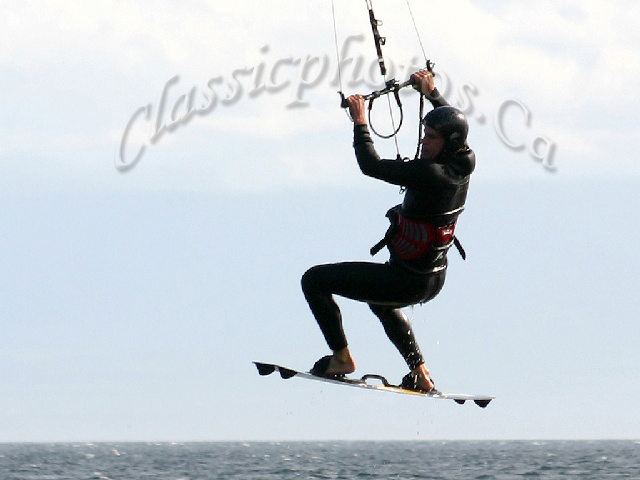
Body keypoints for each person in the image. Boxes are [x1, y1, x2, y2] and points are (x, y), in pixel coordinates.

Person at [300, 70, 475, 393]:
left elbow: (371, 166)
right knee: (381, 302)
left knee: (314, 280)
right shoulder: (464, 160)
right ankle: (420, 373)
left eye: (431, 137)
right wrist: (432, 93)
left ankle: (341, 358)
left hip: (406, 280)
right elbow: (458, 128)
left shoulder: (430, 174)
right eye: (425, 134)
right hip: (431, 278)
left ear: (447, 143)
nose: (423, 141)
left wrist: (360, 122)